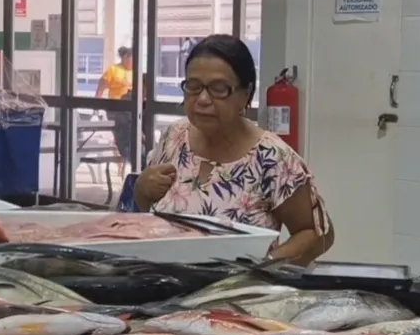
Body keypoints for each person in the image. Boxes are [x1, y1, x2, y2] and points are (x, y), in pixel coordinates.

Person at [134, 35, 333, 265]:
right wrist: (141, 189)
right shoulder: (174, 137)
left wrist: (261, 267)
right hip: (164, 281)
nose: (202, 99)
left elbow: (318, 234)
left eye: (219, 89)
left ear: (245, 95)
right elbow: (150, 211)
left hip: (238, 286)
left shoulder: (271, 157)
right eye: (193, 87)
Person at [96, 47, 135, 177]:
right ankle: (123, 160)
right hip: (116, 109)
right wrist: (96, 105)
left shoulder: (136, 72)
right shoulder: (113, 70)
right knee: (121, 133)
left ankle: (129, 160)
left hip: (131, 109)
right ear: (125, 57)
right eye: (132, 58)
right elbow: (101, 87)